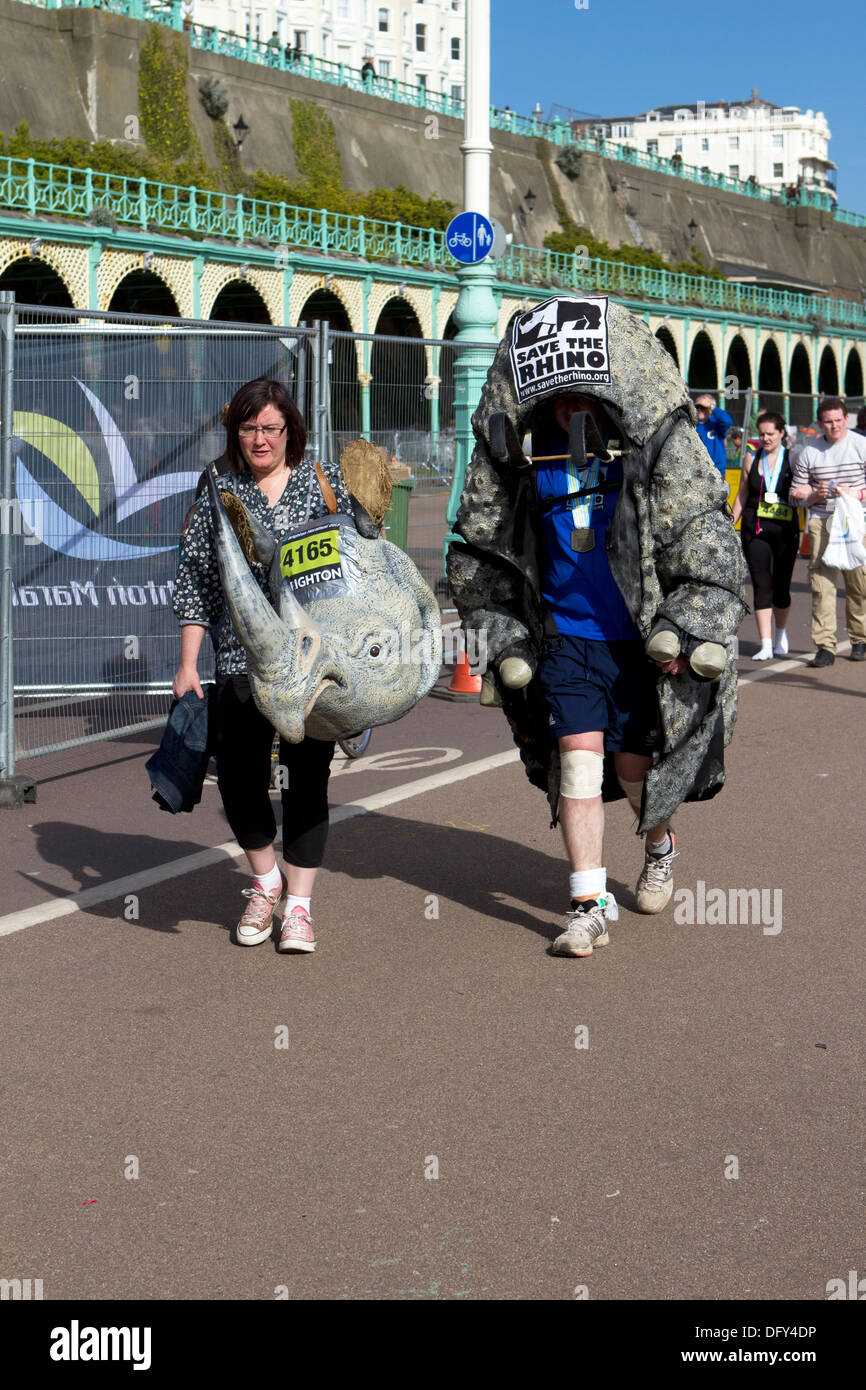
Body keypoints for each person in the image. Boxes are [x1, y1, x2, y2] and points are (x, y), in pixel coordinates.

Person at [447, 296, 746, 959]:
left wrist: (687, 623)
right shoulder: (527, 461)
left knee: (638, 775)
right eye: (558, 399)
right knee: (578, 768)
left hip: (637, 643)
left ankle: (659, 843)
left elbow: (701, 534)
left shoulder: (641, 454)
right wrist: (505, 635)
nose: (570, 407)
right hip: (568, 640)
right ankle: (586, 906)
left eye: (583, 395)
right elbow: (481, 548)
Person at [172, 377, 352, 952]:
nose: (258, 438)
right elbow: (197, 580)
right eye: (248, 427)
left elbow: (357, 570)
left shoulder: (324, 485)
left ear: (289, 429)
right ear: (235, 431)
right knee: (240, 780)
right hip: (237, 661)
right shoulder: (218, 491)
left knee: (308, 780)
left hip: (310, 666)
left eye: (269, 427)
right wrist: (188, 665)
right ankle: (265, 880)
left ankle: (298, 908)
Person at [789, 396, 866, 666]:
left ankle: (860, 639)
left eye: (838, 420)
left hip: (856, 521)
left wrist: (854, 493)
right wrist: (813, 494)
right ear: (820, 423)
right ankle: (825, 646)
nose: (833, 426)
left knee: (859, 582)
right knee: (822, 584)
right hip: (822, 520)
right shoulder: (810, 452)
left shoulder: (861, 445)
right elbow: (795, 494)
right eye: (828, 422)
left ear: (846, 419)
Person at [731, 411, 800, 659]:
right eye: (762, 434)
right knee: (762, 585)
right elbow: (742, 494)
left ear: (782, 433)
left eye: (771, 434)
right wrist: (731, 520)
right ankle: (766, 644)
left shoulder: (793, 458)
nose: (765, 438)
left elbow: (804, 489)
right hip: (755, 529)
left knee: (781, 588)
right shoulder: (751, 457)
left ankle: (780, 634)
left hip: (785, 532)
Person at [694, 393, 733, 476]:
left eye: (703, 407)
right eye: (697, 407)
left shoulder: (716, 424)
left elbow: (728, 421)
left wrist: (712, 406)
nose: (699, 409)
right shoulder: (690, 425)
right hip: (696, 472)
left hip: (717, 471)